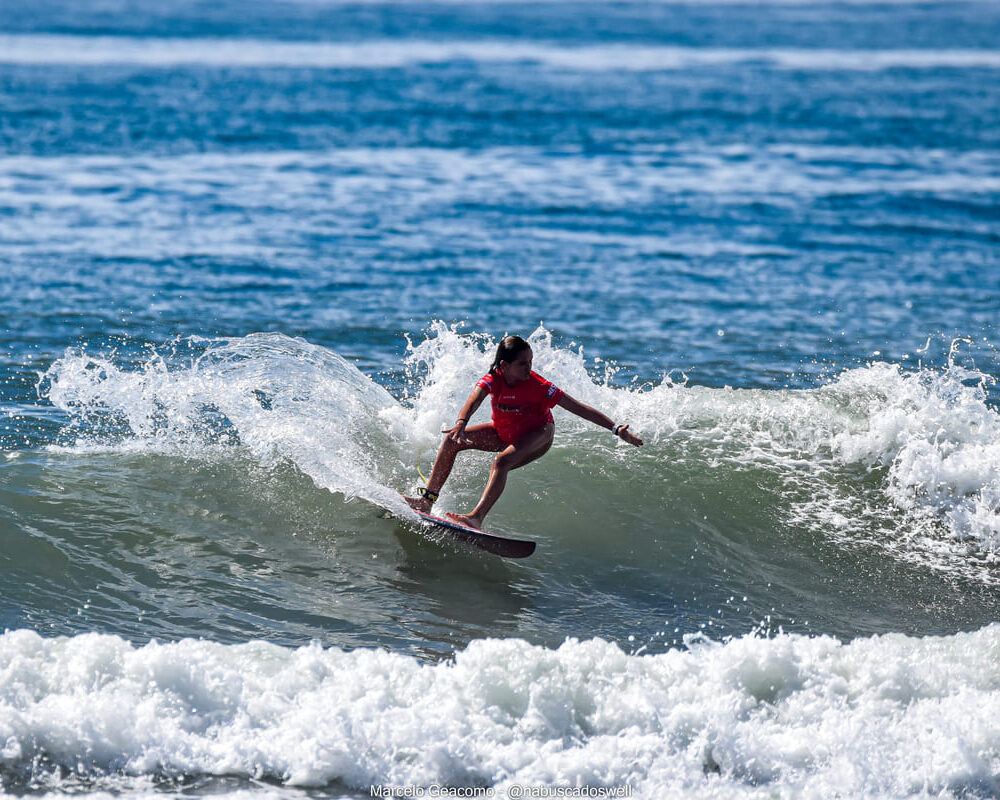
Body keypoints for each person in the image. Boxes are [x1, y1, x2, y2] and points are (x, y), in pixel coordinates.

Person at [405, 335, 643, 529]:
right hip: (504, 432)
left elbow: (578, 407)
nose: (529, 368)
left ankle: (476, 518)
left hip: (538, 434)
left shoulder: (540, 386)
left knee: (502, 462)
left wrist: (615, 429)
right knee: (452, 440)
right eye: (523, 363)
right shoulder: (492, 379)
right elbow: (474, 399)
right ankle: (427, 502)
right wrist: (460, 423)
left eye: (531, 362)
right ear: (504, 366)